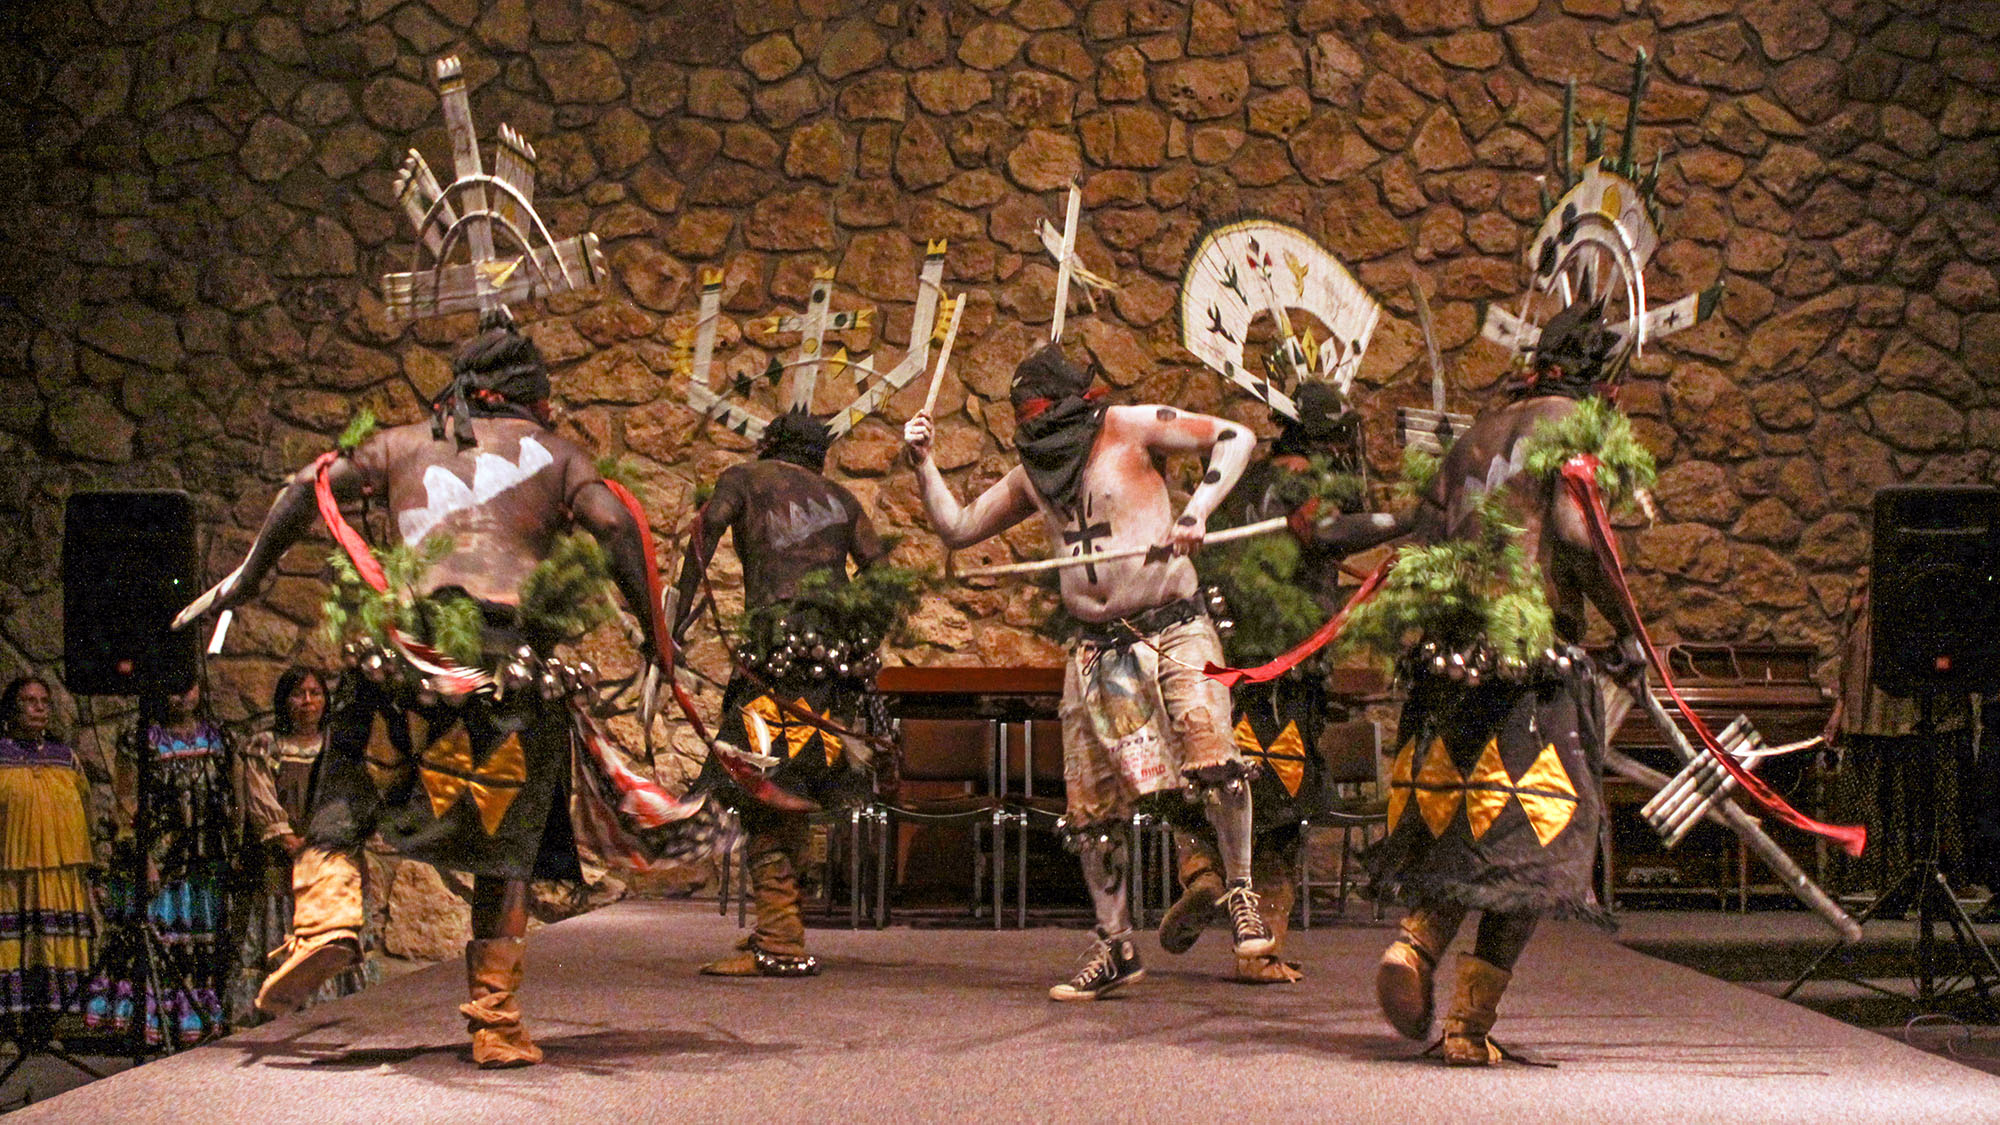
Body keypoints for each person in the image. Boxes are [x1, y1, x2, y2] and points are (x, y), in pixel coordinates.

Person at [189, 316, 685, 1068]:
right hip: (505, 666)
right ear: (534, 397)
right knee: (505, 843)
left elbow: (308, 484)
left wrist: (247, 579)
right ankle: (494, 1018)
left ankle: (325, 919)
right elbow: (614, 521)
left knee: (348, 783)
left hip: (410, 655)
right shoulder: (556, 454)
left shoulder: (399, 443)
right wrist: (657, 635)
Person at [1304, 298, 1649, 1064]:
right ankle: (1466, 1023)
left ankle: (1414, 945)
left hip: (1450, 659)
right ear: (1603, 381)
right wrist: (1629, 626)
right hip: (1530, 663)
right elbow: (1571, 531)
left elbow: (1419, 531)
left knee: (1467, 823)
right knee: (1536, 840)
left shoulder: (1473, 437)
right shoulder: (1576, 426)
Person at [903, 342, 1269, 1001]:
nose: (1033, 424)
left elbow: (1236, 436)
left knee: (1212, 755)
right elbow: (958, 528)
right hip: (1099, 648)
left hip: (1173, 624)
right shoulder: (1034, 474)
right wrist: (925, 464)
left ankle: (1241, 889)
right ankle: (1115, 944)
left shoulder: (1131, 426)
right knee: (1093, 808)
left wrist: (1196, 513)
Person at [673, 408, 907, 978]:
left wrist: (673, 624)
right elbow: (882, 572)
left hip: (775, 660)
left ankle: (781, 940)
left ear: (769, 445)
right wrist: (856, 634)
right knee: (791, 787)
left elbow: (701, 541)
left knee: (762, 787)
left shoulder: (745, 480)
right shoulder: (842, 500)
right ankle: (779, 929)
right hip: (833, 666)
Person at [1166, 382, 1367, 983]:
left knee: (1215, 785)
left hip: (1223, 660)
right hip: (1284, 669)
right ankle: (1262, 951)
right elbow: (1323, 532)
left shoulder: (1235, 483)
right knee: (1282, 809)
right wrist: (1403, 522)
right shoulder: (1308, 488)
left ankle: (1202, 874)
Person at [90, 679, 233, 1045]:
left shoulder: (219, 738)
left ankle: (197, 1018)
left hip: (204, 859)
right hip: (160, 858)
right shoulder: (141, 737)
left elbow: (234, 794)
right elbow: (127, 799)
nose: (180, 696)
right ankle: (155, 1021)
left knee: (201, 942)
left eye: (188, 687)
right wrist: (143, 857)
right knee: (159, 937)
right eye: (172, 687)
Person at [231, 666, 376, 1021]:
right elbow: (260, 795)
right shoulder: (266, 745)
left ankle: (337, 1009)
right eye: (299, 694)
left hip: (334, 855)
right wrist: (288, 839)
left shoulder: (338, 743)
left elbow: (356, 793)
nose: (308, 701)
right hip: (287, 858)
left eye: (315, 693)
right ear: (285, 700)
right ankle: (280, 1009)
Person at [0, 676, 95, 1037]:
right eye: (29, 701)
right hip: (11, 874)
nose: (39, 707)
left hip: (60, 872)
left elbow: (85, 809)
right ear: (12, 708)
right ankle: (11, 1022)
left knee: (53, 940)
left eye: (44, 701)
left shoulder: (65, 758)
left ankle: (55, 1020)